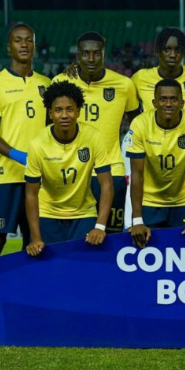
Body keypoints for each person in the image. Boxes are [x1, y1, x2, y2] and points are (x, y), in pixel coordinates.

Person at [54, 32, 140, 234]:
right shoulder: (61, 83)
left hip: (112, 171)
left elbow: (139, 124)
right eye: (85, 54)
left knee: (110, 236)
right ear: (77, 56)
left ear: (104, 54)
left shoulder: (124, 85)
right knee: (73, 238)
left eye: (96, 53)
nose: (91, 59)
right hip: (72, 171)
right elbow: (49, 129)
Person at [0, 23, 51, 261]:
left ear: (34, 46)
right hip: (6, 175)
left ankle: (27, 294)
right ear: (9, 47)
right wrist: (20, 156)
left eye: (28, 40)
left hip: (38, 178)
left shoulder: (46, 84)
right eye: (18, 40)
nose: (24, 44)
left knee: (34, 240)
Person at [24, 81, 113, 256]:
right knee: (50, 273)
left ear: (79, 111)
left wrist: (100, 227)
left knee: (83, 270)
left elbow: (107, 185)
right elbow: (31, 193)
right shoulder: (37, 144)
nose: (64, 115)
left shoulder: (94, 137)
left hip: (83, 214)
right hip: (48, 214)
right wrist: (35, 237)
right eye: (58, 110)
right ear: (50, 113)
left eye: (70, 109)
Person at [126, 79, 185, 248]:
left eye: (173, 99)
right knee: (149, 253)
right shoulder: (140, 124)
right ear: (154, 102)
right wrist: (136, 219)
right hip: (150, 202)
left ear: (182, 102)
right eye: (163, 99)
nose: (168, 103)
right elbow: (137, 173)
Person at [132, 27, 185, 116]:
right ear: (157, 52)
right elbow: (125, 104)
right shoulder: (140, 78)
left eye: (178, 50)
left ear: (184, 53)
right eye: (167, 50)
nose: (173, 55)